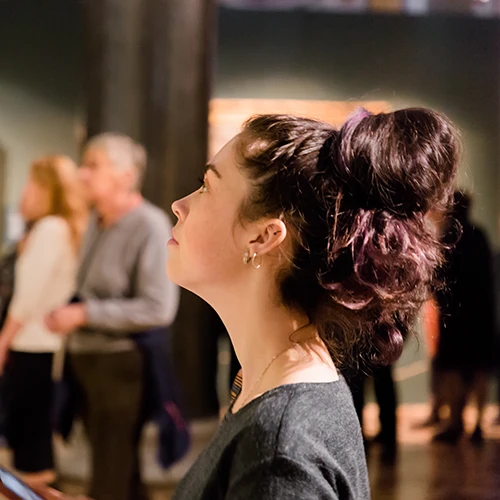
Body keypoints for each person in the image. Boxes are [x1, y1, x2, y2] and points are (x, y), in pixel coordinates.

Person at [167, 107, 459, 499]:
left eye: (206, 186)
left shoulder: (279, 447)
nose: (180, 205)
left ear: (264, 237)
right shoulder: (270, 387)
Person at [46, 133, 179, 500]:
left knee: (111, 471)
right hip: (87, 361)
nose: (82, 174)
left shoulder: (149, 225)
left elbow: (158, 307)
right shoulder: (95, 220)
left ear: (125, 175)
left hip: (120, 367)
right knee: (117, 468)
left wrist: (85, 313)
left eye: (94, 165)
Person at [0, 156, 87, 488]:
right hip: (36, 346)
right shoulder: (52, 228)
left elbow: (27, 298)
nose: (26, 191)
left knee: (31, 443)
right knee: (31, 438)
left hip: (33, 346)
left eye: (31, 183)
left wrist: (3, 341)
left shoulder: (52, 228)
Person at [432, 192, 495, 444]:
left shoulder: (449, 237)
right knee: (479, 368)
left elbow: (439, 279)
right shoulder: (479, 235)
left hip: (455, 315)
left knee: (454, 370)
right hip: (481, 313)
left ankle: (455, 422)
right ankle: (478, 423)